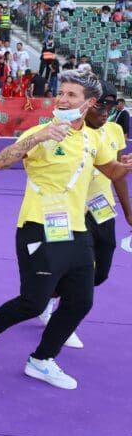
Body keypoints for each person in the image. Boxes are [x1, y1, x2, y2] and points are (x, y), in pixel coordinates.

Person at [0, 71, 132, 389]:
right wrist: (36, 139)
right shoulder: (43, 131)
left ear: (88, 103)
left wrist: (124, 166)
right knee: (34, 302)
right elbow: (0, 162)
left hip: (77, 229)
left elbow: (110, 169)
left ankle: (41, 360)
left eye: (71, 95)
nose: (62, 99)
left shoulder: (92, 138)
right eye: (61, 93)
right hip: (37, 227)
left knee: (81, 301)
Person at [37, 88, 132, 349]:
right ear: (87, 105)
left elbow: (116, 174)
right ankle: (62, 322)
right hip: (75, 213)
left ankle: (48, 298)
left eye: (110, 110)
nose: (104, 114)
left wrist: (128, 211)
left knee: (100, 273)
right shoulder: (69, 133)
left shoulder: (113, 132)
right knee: (80, 274)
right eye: (100, 108)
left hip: (104, 211)